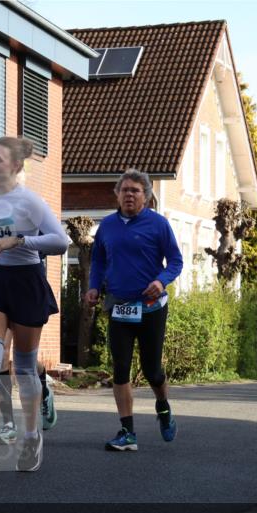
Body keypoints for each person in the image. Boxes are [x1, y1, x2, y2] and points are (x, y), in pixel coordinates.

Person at [0, 136, 69, 474]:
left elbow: (61, 241)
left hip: (26, 282)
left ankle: (32, 435)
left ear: (16, 166)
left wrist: (21, 240)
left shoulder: (31, 202)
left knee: (24, 368)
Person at [84, 169, 184, 452]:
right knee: (120, 368)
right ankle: (127, 432)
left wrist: (160, 281)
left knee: (153, 371)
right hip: (119, 306)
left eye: (135, 191)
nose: (129, 194)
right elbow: (99, 261)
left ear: (146, 196)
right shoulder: (107, 226)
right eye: (124, 190)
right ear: (117, 194)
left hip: (152, 307)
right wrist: (94, 287)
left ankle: (163, 407)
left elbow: (175, 261)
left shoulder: (158, 224)